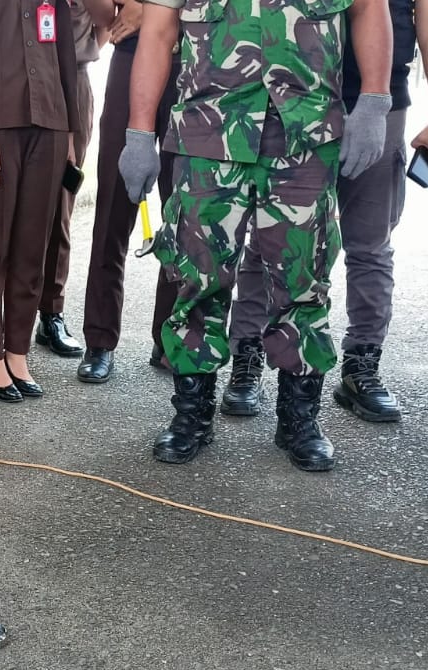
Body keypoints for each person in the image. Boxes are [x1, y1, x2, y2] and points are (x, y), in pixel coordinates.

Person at [121, 0, 394, 470]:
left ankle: (299, 419)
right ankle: (192, 414)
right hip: (209, 134)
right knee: (197, 277)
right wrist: (139, 132)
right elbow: (159, 32)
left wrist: (374, 99)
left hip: (305, 137)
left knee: (303, 279)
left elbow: (369, 8)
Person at [225, 0, 428, 425]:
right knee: (266, 241)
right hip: (291, 102)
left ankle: (361, 364)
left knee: (369, 243)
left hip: (376, 102)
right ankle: (248, 355)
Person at [0, 0, 82, 403]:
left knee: (34, 244)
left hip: (50, 120)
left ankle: (17, 351)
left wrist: (70, 129)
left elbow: (64, 50)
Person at [76, 0, 184, 384]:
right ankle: (100, 339)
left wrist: (158, 13)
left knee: (183, 211)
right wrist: (142, 8)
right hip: (132, 55)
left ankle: (172, 335)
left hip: (194, 62)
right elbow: (107, 14)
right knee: (113, 205)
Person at [36, 0, 116, 360]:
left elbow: (105, 24)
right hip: (13, 77)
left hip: (73, 79)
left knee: (59, 204)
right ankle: (6, 314)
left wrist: (74, 62)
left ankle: (51, 312)